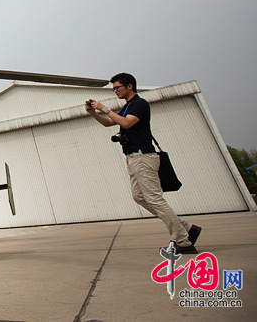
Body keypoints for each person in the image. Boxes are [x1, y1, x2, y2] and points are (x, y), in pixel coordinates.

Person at [86, 72, 202, 253]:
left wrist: (104, 108)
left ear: (129, 86)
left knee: (155, 199)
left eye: (118, 87)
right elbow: (109, 123)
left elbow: (126, 123)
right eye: (114, 88)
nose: (115, 91)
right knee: (139, 197)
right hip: (133, 157)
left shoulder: (140, 104)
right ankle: (186, 228)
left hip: (143, 156)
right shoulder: (128, 106)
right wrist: (94, 113)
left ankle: (183, 242)